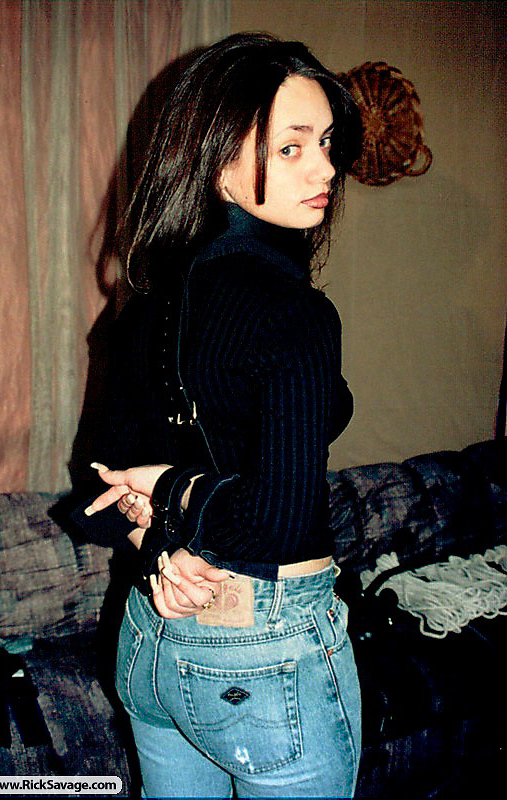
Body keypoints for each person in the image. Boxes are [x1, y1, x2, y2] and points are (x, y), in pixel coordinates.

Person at [72, 32, 362, 798]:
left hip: (153, 636)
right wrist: (172, 492)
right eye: (291, 147)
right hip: (263, 648)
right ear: (215, 164)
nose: (325, 169)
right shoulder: (292, 311)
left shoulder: (140, 307)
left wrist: (163, 550)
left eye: (326, 143)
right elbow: (278, 522)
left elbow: (95, 483)